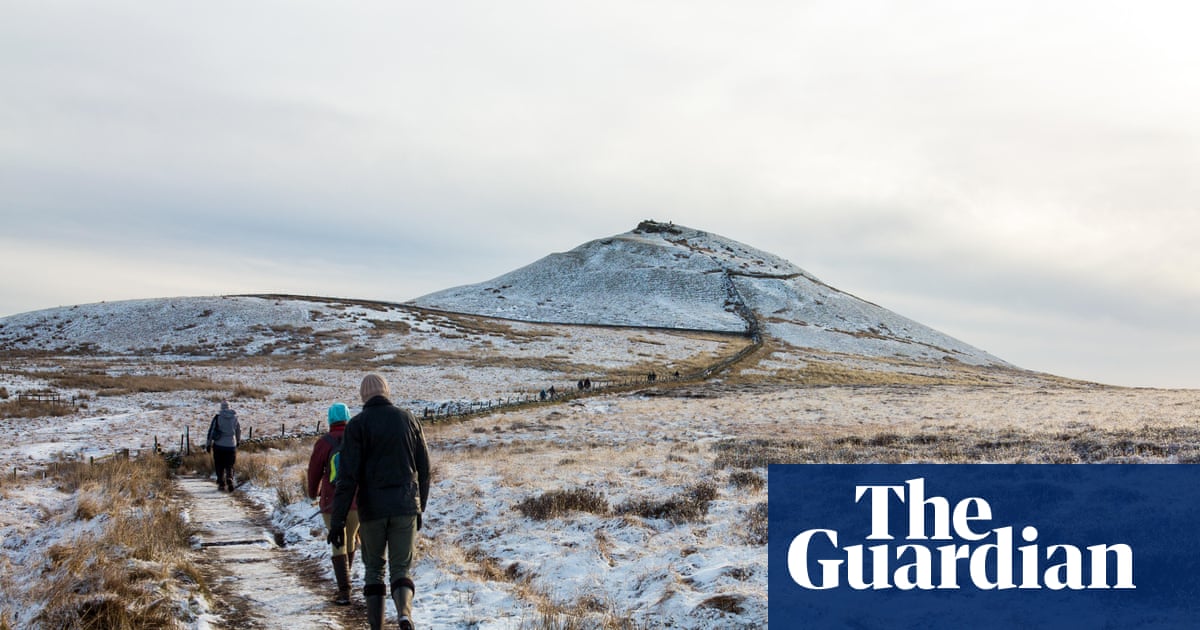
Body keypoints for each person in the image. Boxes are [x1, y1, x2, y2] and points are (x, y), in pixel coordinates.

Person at [330, 374, 431, 630]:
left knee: (374, 569)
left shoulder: (357, 425)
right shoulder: (408, 419)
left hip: (371, 509)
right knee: (401, 569)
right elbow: (424, 467)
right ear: (386, 392)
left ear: (364, 396)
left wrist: (338, 520)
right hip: (405, 506)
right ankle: (404, 614)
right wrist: (420, 506)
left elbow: (347, 477)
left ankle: (376, 627)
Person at [307, 402, 360, 606]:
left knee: (337, 540)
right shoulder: (358, 440)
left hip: (331, 502)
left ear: (330, 419)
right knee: (349, 540)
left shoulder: (324, 443)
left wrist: (313, 493)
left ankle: (344, 591)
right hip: (356, 501)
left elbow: (313, 472)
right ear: (348, 417)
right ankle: (346, 584)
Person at [205, 401, 241, 491]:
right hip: (231, 445)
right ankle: (229, 478)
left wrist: (208, 444)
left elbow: (212, 431)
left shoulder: (217, 417)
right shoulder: (235, 417)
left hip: (219, 445)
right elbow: (238, 430)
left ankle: (221, 482)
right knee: (230, 464)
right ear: (229, 407)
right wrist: (238, 441)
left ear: (221, 407)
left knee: (219, 464)